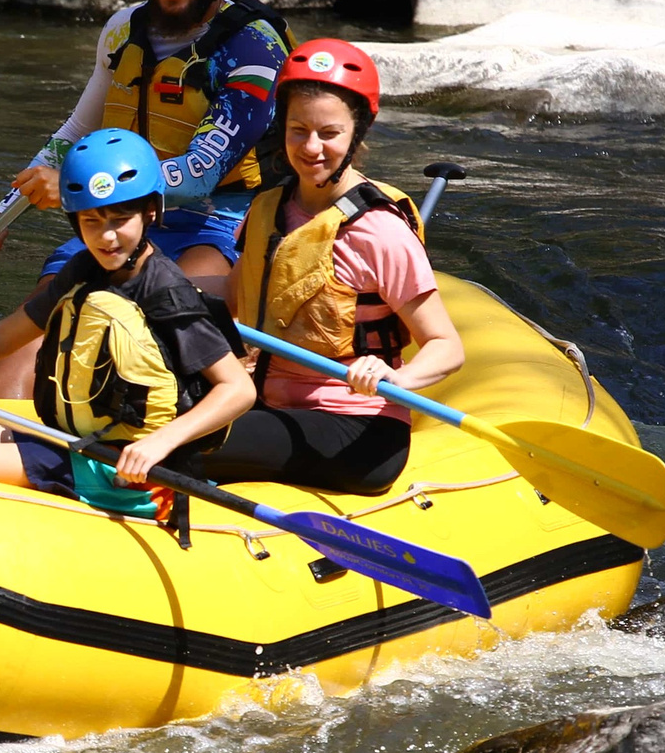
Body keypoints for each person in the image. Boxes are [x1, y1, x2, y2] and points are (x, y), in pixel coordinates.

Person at [0, 0, 290, 396]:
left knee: (168, 311)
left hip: (219, 223)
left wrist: (82, 188)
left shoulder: (253, 47)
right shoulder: (122, 31)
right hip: (117, 218)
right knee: (33, 345)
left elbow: (202, 172)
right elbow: (75, 134)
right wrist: (1, 213)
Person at [0, 129, 253, 505]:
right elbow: (0, 338)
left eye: (120, 219)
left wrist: (159, 443)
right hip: (80, 440)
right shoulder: (83, 271)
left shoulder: (166, 291)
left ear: (149, 212)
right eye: (91, 221)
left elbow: (237, 390)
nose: (107, 236)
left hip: (136, 468)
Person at [194, 37, 463, 496]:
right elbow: (236, 299)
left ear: (357, 133)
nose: (311, 147)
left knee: (185, 439)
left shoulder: (380, 231)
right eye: (298, 130)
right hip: (266, 402)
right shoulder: (266, 210)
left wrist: (392, 378)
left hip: (355, 430)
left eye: (329, 133)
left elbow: (446, 347)